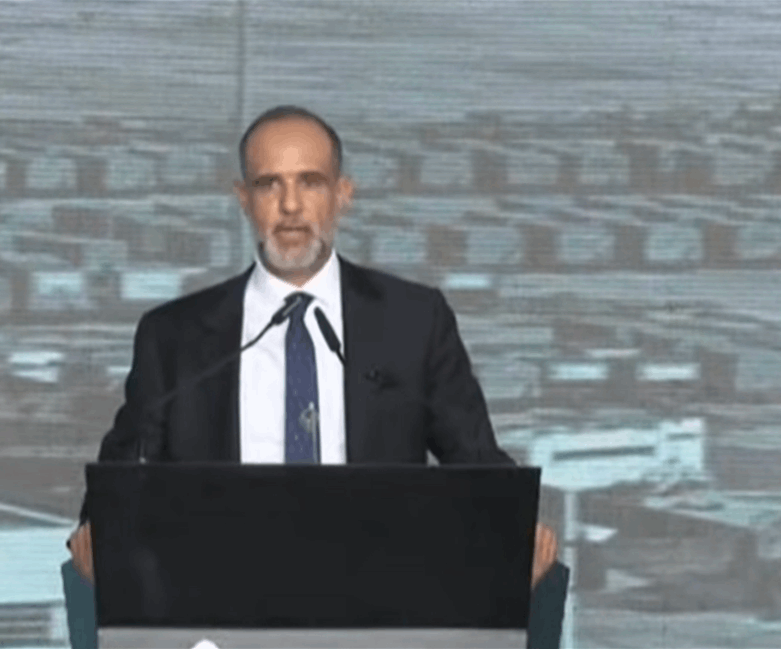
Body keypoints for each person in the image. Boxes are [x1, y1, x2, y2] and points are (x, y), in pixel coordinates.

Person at [68, 105, 557, 589]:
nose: (290, 205)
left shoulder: (413, 321)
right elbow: (119, 479)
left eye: (311, 182)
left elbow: (476, 462)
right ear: (243, 199)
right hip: (219, 600)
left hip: (378, 602)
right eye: (269, 184)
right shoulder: (174, 336)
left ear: (343, 194)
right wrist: (99, 535)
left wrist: (514, 529)